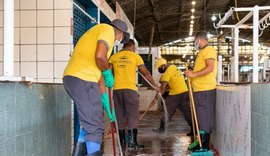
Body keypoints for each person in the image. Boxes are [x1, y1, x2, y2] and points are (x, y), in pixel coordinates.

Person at [63, 19, 130, 156]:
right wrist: (107, 73)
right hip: (83, 79)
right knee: (95, 127)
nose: (119, 41)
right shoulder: (107, 30)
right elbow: (100, 57)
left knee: (88, 125)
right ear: (120, 34)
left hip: (73, 78)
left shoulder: (95, 33)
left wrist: (105, 100)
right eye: (121, 39)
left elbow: (98, 77)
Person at [109, 39, 160, 150]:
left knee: (119, 116)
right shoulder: (135, 56)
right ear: (132, 46)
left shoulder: (114, 57)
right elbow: (145, 73)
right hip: (130, 90)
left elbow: (108, 74)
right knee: (132, 115)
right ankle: (132, 142)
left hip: (117, 90)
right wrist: (155, 86)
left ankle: (122, 142)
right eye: (134, 48)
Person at [185, 31, 217, 151]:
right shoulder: (202, 52)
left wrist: (193, 74)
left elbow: (210, 68)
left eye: (195, 40)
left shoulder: (209, 50)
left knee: (204, 117)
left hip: (205, 90)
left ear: (198, 39)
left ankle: (204, 144)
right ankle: (200, 140)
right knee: (200, 117)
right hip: (199, 90)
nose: (195, 43)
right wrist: (192, 72)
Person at [153, 58, 193, 135]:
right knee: (187, 112)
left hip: (175, 94)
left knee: (167, 110)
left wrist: (155, 98)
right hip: (185, 92)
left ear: (163, 65)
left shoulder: (167, 73)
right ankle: (194, 130)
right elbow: (169, 83)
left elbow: (163, 89)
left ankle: (162, 130)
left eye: (159, 67)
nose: (159, 70)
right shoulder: (174, 67)